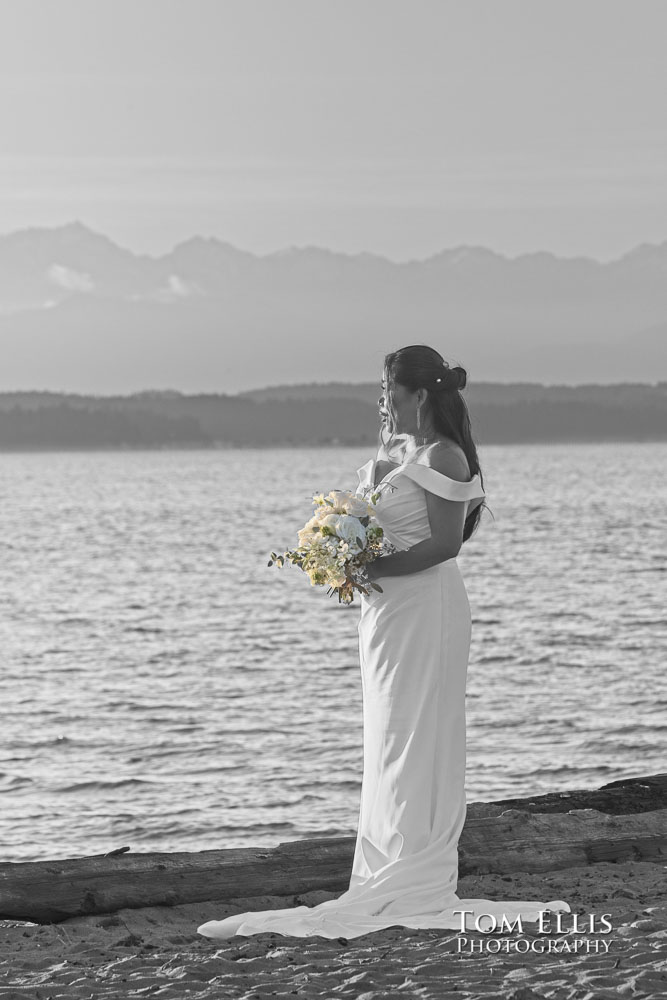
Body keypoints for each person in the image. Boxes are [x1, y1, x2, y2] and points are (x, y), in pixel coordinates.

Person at [198, 344, 570, 940]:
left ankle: (417, 872)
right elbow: (375, 523)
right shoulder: (394, 454)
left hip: (428, 606)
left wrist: (363, 571)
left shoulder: (446, 456)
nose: (382, 401)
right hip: (385, 614)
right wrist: (345, 550)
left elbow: (446, 545)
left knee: (421, 730)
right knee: (388, 734)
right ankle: (385, 860)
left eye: (390, 391)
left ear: (420, 394)